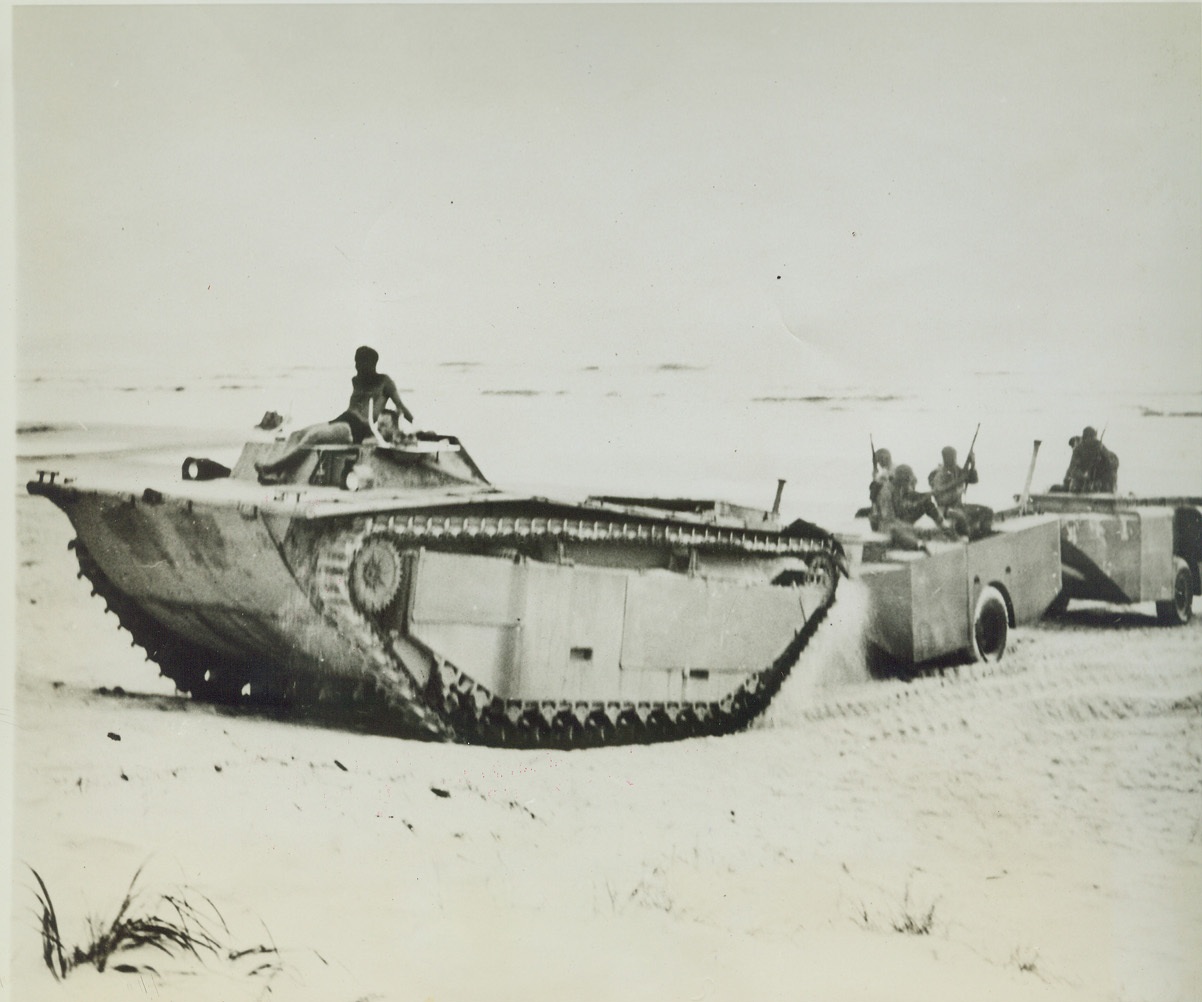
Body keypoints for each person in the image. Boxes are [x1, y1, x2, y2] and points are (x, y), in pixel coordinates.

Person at [255, 346, 414, 482]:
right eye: (356, 361)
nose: (356, 365)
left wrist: (416, 426)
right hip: (344, 420)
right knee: (297, 434)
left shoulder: (384, 381)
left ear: (371, 363)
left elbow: (400, 406)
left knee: (314, 436)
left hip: (357, 428)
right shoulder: (357, 381)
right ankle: (277, 476)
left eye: (359, 362)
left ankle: (271, 468)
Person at [928, 445, 992, 539]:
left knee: (987, 511)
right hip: (946, 509)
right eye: (952, 457)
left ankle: (985, 534)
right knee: (961, 516)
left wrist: (972, 464)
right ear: (945, 458)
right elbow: (940, 499)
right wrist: (957, 489)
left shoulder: (956, 469)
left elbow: (973, 480)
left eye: (955, 457)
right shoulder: (938, 475)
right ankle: (970, 536)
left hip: (959, 506)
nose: (955, 459)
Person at [1062, 426, 1119, 493]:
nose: (1093, 441)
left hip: (1099, 480)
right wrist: (1083, 475)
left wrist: (1103, 455)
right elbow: (1073, 469)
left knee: (1109, 479)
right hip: (1083, 481)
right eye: (1090, 438)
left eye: (1094, 438)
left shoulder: (1099, 446)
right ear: (1085, 438)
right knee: (1076, 486)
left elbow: (1113, 463)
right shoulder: (1079, 450)